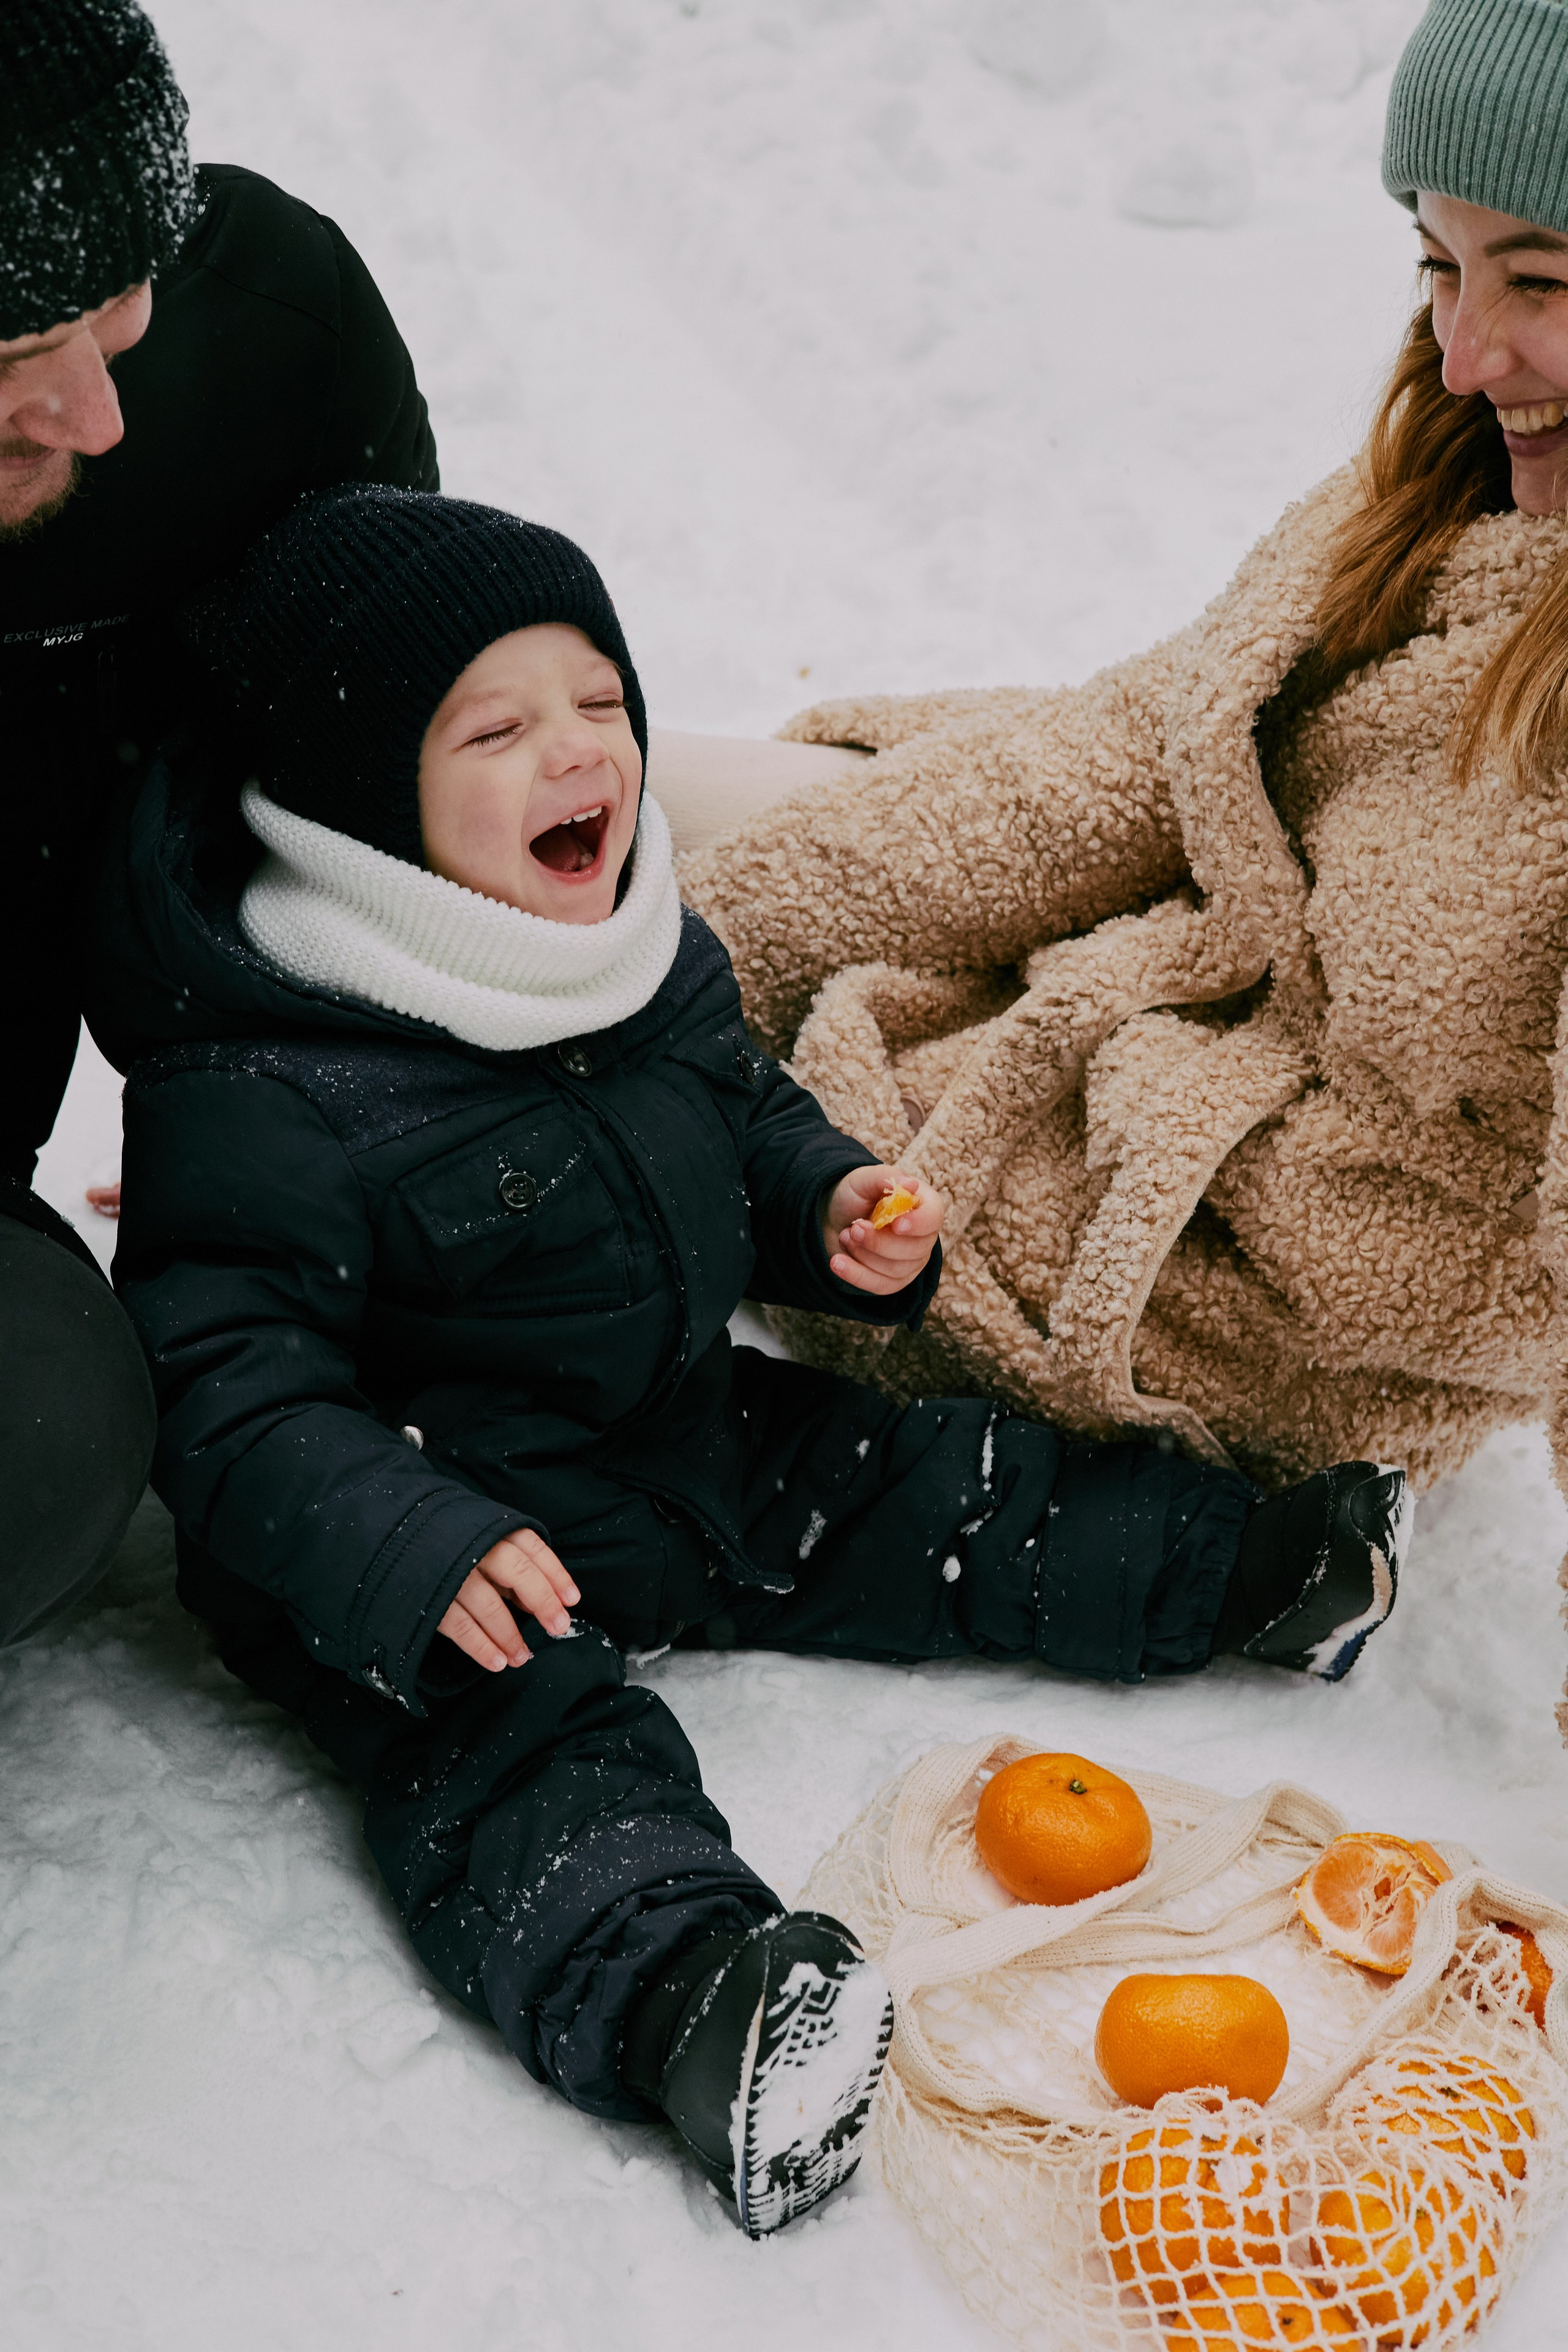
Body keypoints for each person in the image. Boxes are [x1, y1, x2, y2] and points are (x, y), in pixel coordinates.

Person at [100, 486, 1408, 2228]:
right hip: (429, 1545)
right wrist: (403, 1544)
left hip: (669, 1428)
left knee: (919, 1485)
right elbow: (218, 1379)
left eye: (602, 703)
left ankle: (1252, 1562)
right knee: (518, 1760)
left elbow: (739, 1109)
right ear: (360, 805)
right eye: (497, 728)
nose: (581, 755)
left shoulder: (634, 948)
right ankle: (697, 2010)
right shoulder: (267, 1083)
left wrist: (821, 1214)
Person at [672, 0, 1568, 1666]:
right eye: (1437, 271)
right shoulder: (1445, 486)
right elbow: (1128, 758)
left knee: (609, 1170)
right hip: (1163, 1003)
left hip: (1241, 1277)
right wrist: (675, 966)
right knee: (605, 798)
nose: (1463, 355)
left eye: (1542, 283)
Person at [0, 0, 436, 1645]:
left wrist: (294, 1114)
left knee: (39, 1442)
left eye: (116, 320)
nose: (93, 419)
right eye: (11, 359)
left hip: (178, 976)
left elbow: (409, 734)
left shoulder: (272, 330)